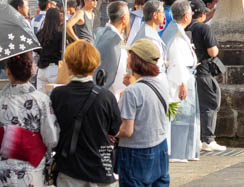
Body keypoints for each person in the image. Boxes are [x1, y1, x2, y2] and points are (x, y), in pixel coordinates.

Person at [50, 40, 121, 186]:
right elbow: (115, 130)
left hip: (69, 168)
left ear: (68, 65)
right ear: (95, 65)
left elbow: (52, 130)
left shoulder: (58, 94)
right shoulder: (106, 97)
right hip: (100, 168)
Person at [116, 39, 171, 187]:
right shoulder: (161, 84)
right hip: (160, 147)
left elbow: (127, 131)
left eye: (130, 55)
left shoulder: (132, 91)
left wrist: (110, 133)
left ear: (135, 60)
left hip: (135, 151)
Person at [0, 51, 58, 186]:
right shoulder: (41, 100)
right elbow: (51, 138)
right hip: (32, 171)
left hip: (3, 172)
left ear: (8, 71)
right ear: (32, 70)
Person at [161, 0, 200, 162]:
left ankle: (187, 151)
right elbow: (176, 60)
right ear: (186, 16)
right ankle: (177, 151)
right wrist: (182, 82)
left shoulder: (178, 31)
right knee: (180, 115)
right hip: (180, 78)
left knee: (188, 115)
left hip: (187, 75)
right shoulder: (176, 35)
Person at [185, 0, 224, 152]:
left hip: (188, 72)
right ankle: (208, 139)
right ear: (202, 14)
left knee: (193, 106)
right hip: (203, 71)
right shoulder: (203, 28)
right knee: (211, 103)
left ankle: (196, 138)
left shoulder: (183, 28)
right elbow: (213, 52)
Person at [94, 0, 131, 99]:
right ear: (123, 19)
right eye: (128, 15)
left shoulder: (101, 32)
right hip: (109, 94)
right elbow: (119, 75)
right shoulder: (115, 41)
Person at [133, 0, 168, 70]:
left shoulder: (147, 30)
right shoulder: (149, 37)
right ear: (155, 15)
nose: (164, 15)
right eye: (162, 12)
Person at [37, 6, 65, 89]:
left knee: (41, 96)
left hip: (41, 69)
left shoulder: (40, 33)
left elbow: (36, 50)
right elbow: (62, 51)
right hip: (54, 68)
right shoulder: (60, 35)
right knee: (55, 95)